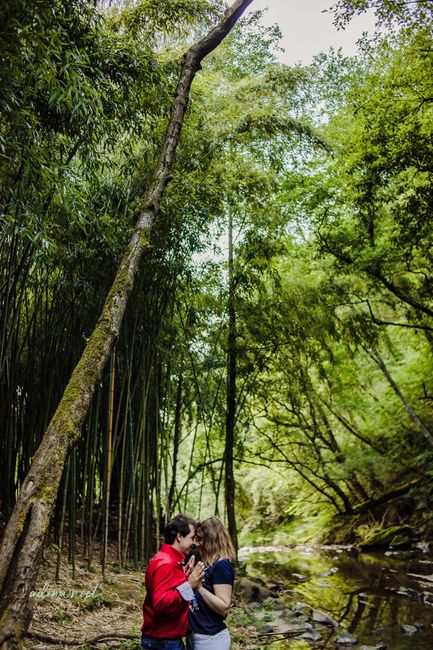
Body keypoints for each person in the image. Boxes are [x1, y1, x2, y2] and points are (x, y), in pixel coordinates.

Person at [141, 514, 205, 650]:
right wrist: (189, 585)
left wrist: (185, 579)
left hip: (162, 640)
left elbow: (169, 590)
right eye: (192, 538)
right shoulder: (167, 563)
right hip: (164, 642)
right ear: (179, 536)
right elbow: (161, 603)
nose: (194, 543)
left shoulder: (166, 559)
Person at [188, 517, 236, 649]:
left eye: (200, 539)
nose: (196, 544)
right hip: (196, 636)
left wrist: (199, 587)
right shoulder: (210, 563)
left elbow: (224, 607)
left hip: (211, 640)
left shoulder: (222, 565)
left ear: (212, 539)